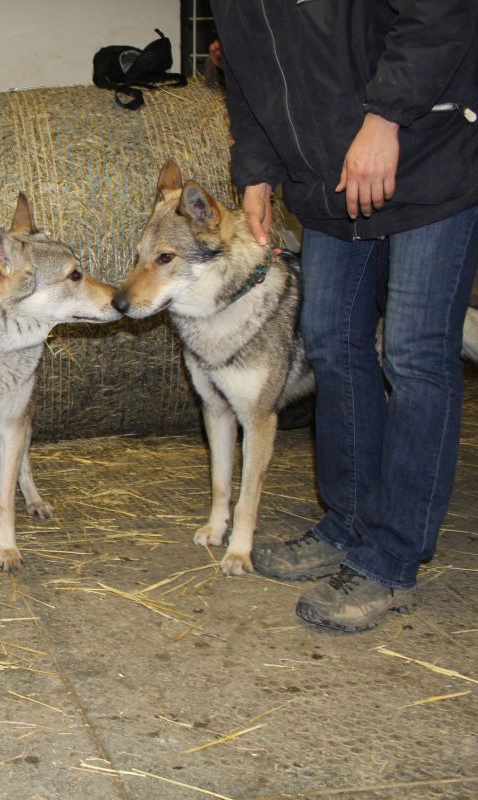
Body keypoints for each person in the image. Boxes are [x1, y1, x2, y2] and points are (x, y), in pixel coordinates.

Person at [210, 1, 478, 631]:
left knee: (413, 353)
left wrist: (386, 117)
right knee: (330, 339)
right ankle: (349, 520)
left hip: (428, 154)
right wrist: (255, 173)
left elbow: (441, 13)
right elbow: (249, 76)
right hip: (329, 181)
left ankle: (391, 557)